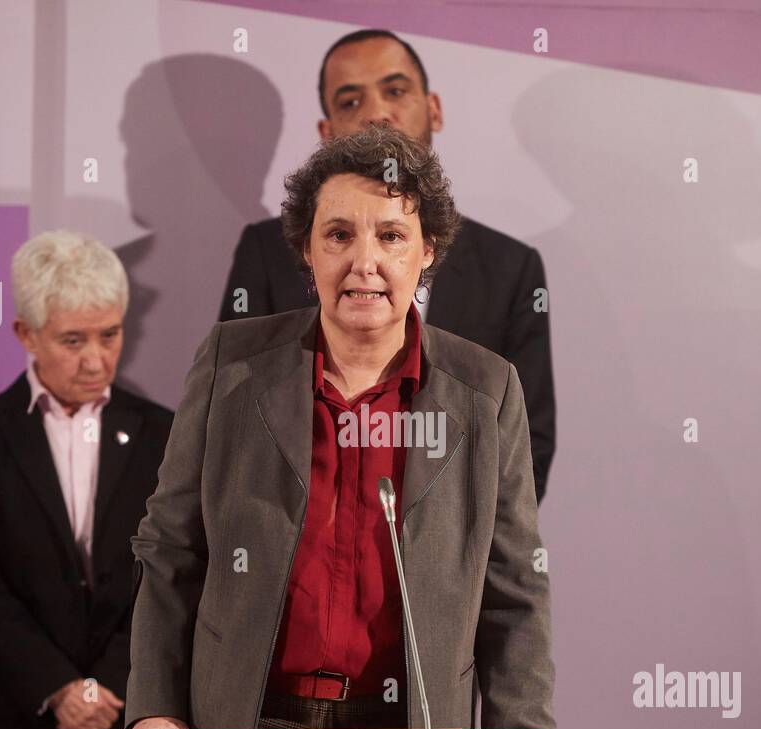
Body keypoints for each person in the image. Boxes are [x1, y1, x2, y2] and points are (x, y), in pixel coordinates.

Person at [123, 126, 620, 729]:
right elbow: (171, 547)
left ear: (427, 253)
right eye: (338, 236)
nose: (364, 262)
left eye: (390, 236)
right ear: (306, 251)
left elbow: (513, 590)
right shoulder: (230, 365)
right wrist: (153, 704)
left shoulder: (486, 388)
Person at [218, 28, 557, 503]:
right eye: (351, 101)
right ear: (326, 132)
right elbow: (233, 419)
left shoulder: (509, 268)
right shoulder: (266, 249)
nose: (377, 112)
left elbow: (526, 451)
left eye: (395, 91)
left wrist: (443, 553)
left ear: (433, 107)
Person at [0, 231, 173, 729]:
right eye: (73, 340)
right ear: (26, 334)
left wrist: (103, 689)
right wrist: (58, 688)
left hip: (122, 725)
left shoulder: (162, 433)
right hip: (3, 727)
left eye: (110, 335)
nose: (96, 359)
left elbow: (169, 576)